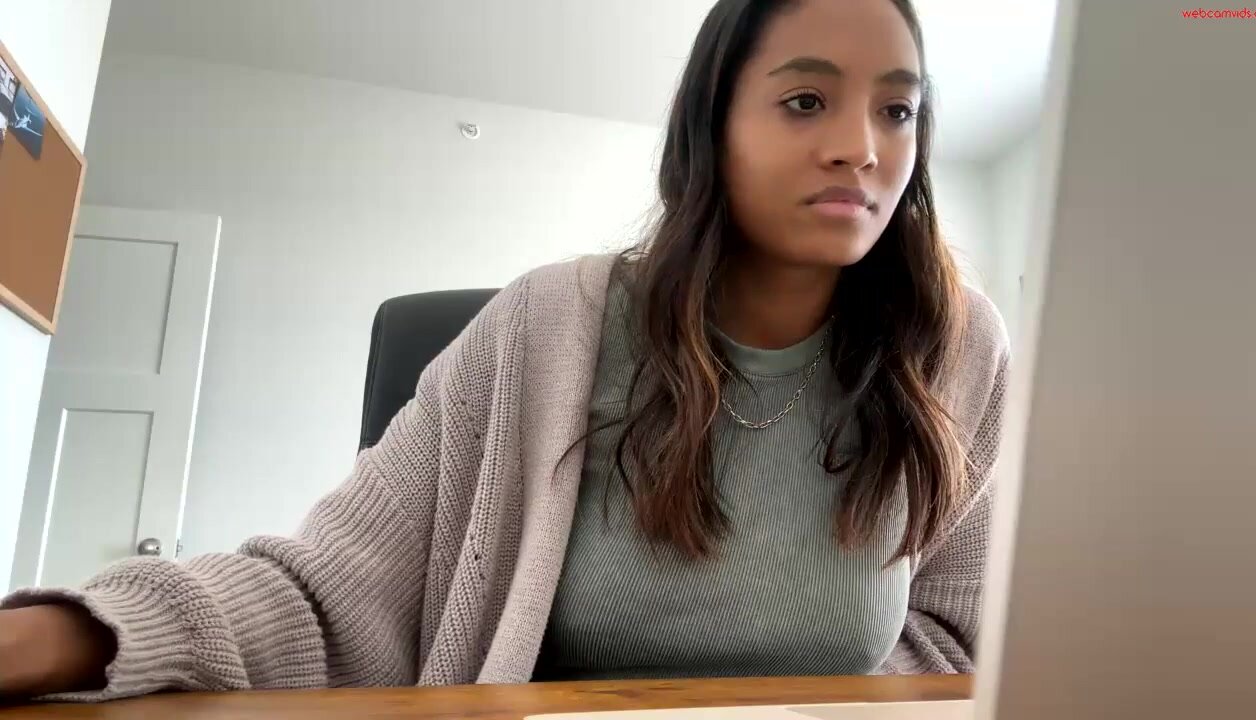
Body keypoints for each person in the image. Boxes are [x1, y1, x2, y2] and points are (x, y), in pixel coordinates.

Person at [0, 0, 1008, 702]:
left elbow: (959, 639)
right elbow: (319, 596)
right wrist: (79, 632)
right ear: (713, 128)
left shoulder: (955, 351)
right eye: (805, 101)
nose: (861, 147)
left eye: (897, 109)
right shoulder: (549, 326)